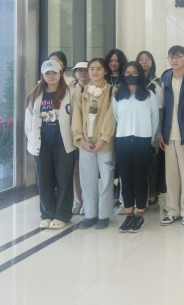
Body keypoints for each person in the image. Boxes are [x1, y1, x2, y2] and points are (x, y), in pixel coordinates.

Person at [25, 60, 76, 230]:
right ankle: (47, 214)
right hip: (42, 145)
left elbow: (76, 117)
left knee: (64, 180)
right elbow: (28, 123)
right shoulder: (35, 95)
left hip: (64, 144)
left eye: (54, 72)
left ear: (61, 73)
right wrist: (32, 139)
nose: (51, 76)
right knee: (44, 181)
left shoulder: (71, 93)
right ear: (43, 75)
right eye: (47, 73)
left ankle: (62, 215)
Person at [113, 62, 159, 233]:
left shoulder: (149, 95)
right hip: (122, 140)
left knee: (140, 179)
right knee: (125, 179)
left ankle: (140, 215)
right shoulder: (118, 96)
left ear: (140, 75)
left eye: (134, 72)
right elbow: (116, 117)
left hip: (142, 140)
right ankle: (129, 214)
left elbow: (155, 118)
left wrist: (149, 138)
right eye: (127, 72)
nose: (130, 75)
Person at [72, 58, 116, 230]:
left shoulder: (112, 91)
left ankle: (104, 215)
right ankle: (90, 214)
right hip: (85, 144)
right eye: (91, 68)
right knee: (87, 180)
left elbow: (111, 117)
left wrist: (104, 139)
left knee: (106, 179)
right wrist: (80, 139)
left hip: (105, 144)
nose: (94, 72)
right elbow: (76, 117)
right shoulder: (80, 92)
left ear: (105, 71)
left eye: (98, 68)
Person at [158, 46, 184, 227]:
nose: (174, 60)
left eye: (178, 56)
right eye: (171, 57)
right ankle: (172, 210)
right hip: (169, 135)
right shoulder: (164, 80)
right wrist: (160, 133)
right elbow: (160, 108)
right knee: (171, 176)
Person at [136, 50, 165, 207]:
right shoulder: (133, 82)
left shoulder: (157, 83)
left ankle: (152, 193)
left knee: (152, 164)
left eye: (147, 59)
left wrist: (157, 132)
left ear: (152, 62)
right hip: (136, 129)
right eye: (141, 59)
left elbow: (160, 109)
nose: (144, 62)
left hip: (152, 129)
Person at [70, 61, 89, 215]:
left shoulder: (96, 89)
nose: (82, 73)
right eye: (79, 70)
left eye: (85, 70)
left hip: (90, 136)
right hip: (73, 135)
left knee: (88, 170)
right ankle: (78, 199)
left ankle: (88, 200)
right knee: (75, 170)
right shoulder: (69, 90)